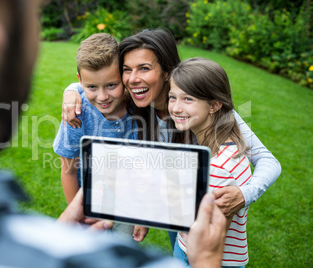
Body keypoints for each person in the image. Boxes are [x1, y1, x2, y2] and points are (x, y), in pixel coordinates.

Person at [0, 0, 227, 267]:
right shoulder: (108, 259)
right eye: (35, 14)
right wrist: (208, 261)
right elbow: (70, 159)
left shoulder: (140, 103)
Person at [62, 28, 281, 248]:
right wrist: (71, 90)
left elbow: (268, 160)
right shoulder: (134, 101)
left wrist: (245, 194)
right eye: (127, 70)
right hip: (171, 209)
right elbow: (94, 84)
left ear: (167, 71)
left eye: (144, 68)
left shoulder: (201, 107)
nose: (133, 79)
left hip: (208, 214)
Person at [53, 33, 148, 242]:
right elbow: (68, 170)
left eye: (111, 85)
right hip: (88, 204)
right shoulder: (76, 113)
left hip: (127, 206)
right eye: (92, 87)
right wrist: (77, 214)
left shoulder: (139, 107)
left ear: (123, 75)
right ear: (80, 80)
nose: (103, 97)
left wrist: (142, 212)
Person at [168, 57, 253, 267]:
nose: (176, 108)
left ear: (214, 105)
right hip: (190, 247)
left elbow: (211, 239)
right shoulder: (227, 146)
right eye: (172, 97)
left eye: (188, 99)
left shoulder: (218, 167)